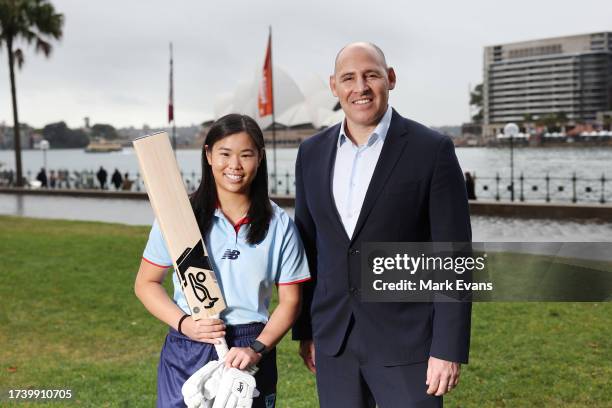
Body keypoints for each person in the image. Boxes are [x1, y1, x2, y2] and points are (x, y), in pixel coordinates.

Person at [292, 43, 472, 407]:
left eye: (371, 75)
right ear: (334, 86)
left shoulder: (431, 150)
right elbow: (308, 248)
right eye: (349, 78)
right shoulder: (311, 153)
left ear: (390, 79)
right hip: (335, 343)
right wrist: (307, 330)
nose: (360, 87)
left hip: (408, 345)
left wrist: (446, 348)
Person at [135, 113, 310, 408]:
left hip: (251, 344)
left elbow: (291, 302)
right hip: (190, 341)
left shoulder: (279, 224)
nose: (235, 166)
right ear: (208, 155)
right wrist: (184, 324)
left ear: (260, 158)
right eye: (225, 154)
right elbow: (146, 284)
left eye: (246, 155)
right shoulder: (179, 216)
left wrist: (256, 349)